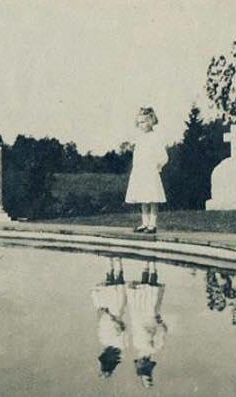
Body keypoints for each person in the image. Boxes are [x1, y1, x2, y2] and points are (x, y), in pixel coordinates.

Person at [125, 107, 168, 234]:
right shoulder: (139, 138)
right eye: (139, 122)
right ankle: (145, 222)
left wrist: (157, 165)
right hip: (140, 170)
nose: (141, 125)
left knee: (153, 197)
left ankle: (152, 224)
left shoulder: (155, 137)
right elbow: (137, 155)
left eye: (143, 122)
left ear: (150, 121)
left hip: (150, 170)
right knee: (143, 197)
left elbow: (163, 155)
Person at [127, 260, 167, 388]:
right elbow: (162, 331)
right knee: (152, 294)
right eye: (143, 367)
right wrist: (159, 322)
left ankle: (145, 264)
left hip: (139, 314)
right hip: (150, 317)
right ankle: (152, 266)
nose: (140, 364)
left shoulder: (137, 346)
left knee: (142, 293)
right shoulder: (154, 348)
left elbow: (134, 327)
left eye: (139, 366)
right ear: (147, 365)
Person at [91, 257, 128, 377]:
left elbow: (100, 324)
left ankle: (109, 259)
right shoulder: (121, 345)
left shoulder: (104, 340)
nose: (104, 353)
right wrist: (110, 316)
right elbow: (122, 328)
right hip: (115, 311)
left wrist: (103, 313)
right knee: (118, 284)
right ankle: (117, 259)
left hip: (108, 311)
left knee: (109, 284)